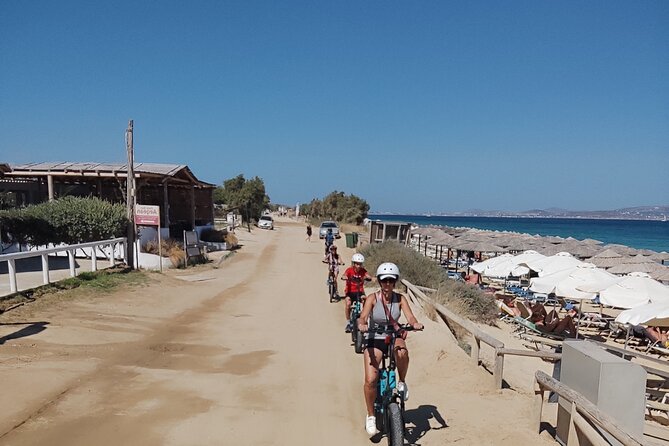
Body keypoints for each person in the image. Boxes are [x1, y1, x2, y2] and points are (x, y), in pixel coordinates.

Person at [358, 262, 423, 436]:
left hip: (393, 336)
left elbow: (410, 316)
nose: (387, 284)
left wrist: (414, 324)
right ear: (379, 281)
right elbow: (363, 316)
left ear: (395, 282)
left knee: (402, 352)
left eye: (391, 280)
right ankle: (371, 415)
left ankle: (402, 382)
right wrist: (362, 324)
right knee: (371, 379)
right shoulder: (373, 298)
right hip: (375, 338)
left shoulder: (400, 298)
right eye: (384, 280)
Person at [341, 253, 373, 333]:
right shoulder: (349, 270)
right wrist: (344, 277)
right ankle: (348, 323)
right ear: (354, 263)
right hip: (350, 292)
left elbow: (367, 275)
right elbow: (344, 275)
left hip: (360, 291)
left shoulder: (363, 271)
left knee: (366, 301)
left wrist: (369, 277)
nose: (358, 266)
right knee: (348, 304)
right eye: (357, 264)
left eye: (360, 264)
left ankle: (364, 319)